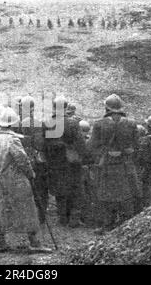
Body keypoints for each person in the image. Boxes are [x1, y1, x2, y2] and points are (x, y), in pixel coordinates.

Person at [0, 107, 49, 252]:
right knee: (27, 206)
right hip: (13, 179)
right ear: (12, 124)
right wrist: (31, 174)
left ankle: (1, 243)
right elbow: (22, 160)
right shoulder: (13, 140)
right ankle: (34, 242)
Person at [89, 94, 141, 234]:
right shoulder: (131, 123)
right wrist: (125, 152)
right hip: (126, 164)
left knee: (105, 194)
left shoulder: (99, 123)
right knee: (126, 193)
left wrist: (105, 154)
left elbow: (93, 146)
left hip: (107, 164)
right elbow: (136, 146)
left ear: (106, 107)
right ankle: (126, 224)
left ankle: (107, 225)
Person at [44, 97, 86, 227]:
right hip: (71, 162)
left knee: (59, 189)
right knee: (75, 189)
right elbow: (81, 143)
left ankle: (62, 218)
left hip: (55, 162)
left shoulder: (47, 122)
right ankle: (74, 219)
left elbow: (43, 144)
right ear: (66, 107)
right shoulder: (73, 123)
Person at [20, 96, 49, 226]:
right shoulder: (40, 123)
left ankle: (26, 216)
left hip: (24, 160)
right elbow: (43, 143)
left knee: (25, 189)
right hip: (39, 160)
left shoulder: (17, 123)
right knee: (41, 189)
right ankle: (41, 215)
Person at [137, 115, 151, 207]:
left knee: (147, 188)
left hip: (149, 169)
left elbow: (143, 157)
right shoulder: (150, 139)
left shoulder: (148, 140)